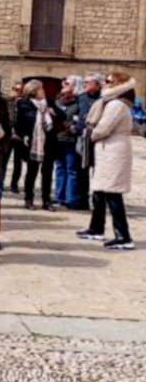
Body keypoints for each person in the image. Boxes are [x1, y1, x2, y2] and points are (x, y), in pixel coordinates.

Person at [76, 73, 136, 249]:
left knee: (112, 193)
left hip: (113, 151)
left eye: (109, 81)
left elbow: (103, 129)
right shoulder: (109, 102)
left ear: (118, 85)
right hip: (106, 151)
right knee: (99, 192)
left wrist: (87, 135)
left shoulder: (116, 105)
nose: (104, 84)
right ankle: (96, 229)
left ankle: (123, 236)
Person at [16, 79, 59, 211]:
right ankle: (29, 199)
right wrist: (25, 135)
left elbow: (61, 117)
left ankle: (47, 200)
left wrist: (53, 113)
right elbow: (19, 124)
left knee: (47, 173)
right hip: (33, 142)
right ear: (33, 91)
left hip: (49, 141)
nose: (43, 91)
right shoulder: (23, 104)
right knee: (31, 172)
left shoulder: (49, 102)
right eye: (41, 88)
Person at [76, 72, 103, 210]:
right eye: (84, 82)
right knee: (82, 170)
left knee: (98, 171)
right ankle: (82, 200)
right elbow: (76, 113)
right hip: (83, 137)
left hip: (99, 138)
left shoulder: (104, 99)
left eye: (88, 82)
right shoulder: (81, 97)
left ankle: (98, 201)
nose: (84, 84)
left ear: (97, 84)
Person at [54, 76, 82, 208]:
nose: (63, 84)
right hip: (58, 138)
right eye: (63, 83)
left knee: (71, 169)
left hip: (71, 139)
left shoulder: (78, 102)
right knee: (60, 168)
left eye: (67, 83)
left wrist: (71, 126)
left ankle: (71, 198)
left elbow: (81, 119)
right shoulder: (59, 100)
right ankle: (59, 196)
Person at [7, 82, 24, 194]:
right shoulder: (7, 102)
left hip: (20, 137)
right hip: (8, 136)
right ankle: (0, 182)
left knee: (18, 163)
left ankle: (14, 184)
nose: (17, 92)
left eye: (19, 90)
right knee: (4, 161)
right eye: (15, 89)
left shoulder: (24, 103)